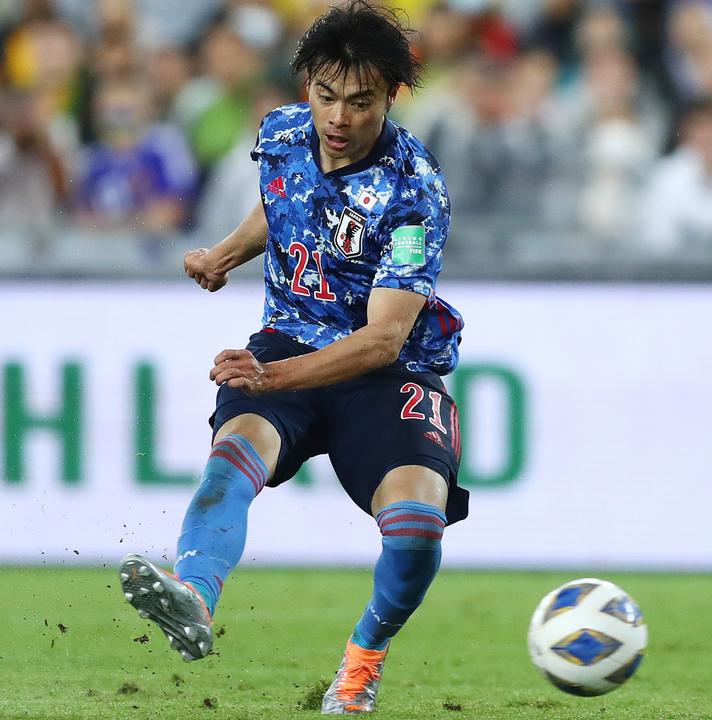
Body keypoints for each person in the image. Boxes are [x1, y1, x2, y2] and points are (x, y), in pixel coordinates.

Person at [117, 3, 468, 715]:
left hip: (382, 369)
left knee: (417, 525)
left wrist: (269, 377)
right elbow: (282, 205)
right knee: (235, 450)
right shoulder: (280, 132)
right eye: (325, 95)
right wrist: (224, 254)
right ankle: (192, 593)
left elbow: (382, 339)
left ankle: (363, 660)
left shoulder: (414, 192)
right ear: (307, 83)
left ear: (390, 97)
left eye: (360, 102)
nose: (337, 117)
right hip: (289, 334)